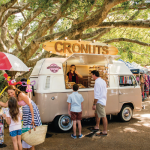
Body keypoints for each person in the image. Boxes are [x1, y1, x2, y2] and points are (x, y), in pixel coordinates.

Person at [0, 85, 42, 150]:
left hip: (31, 111)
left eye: (11, 92)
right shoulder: (13, 98)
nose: (10, 94)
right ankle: (28, 146)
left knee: (30, 129)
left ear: (15, 90)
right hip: (25, 113)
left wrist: (33, 117)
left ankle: (32, 146)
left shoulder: (21, 95)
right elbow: (5, 104)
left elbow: (30, 104)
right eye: (9, 93)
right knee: (26, 131)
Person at [91, 70, 108, 136]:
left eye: (92, 75)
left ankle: (104, 131)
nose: (91, 76)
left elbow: (97, 95)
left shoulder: (97, 83)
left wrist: (94, 104)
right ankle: (97, 126)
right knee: (97, 114)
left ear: (94, 75)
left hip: (99, 101)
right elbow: (105, 91)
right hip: (102, 100)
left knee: (103, 116)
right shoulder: (103, 81)